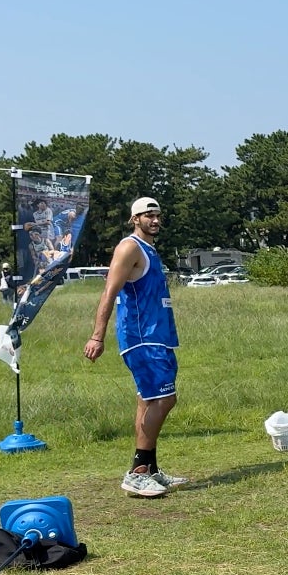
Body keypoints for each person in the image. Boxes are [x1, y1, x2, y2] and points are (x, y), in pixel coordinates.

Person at [83, 197, 187, 498]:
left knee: (148, 399)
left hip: (158, 335)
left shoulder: (150, 250)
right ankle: (138, 472)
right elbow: (109, 291)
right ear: (134, 219)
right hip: (143, 337)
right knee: (165, 399)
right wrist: (97, 335)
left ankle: (150, 469)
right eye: (147, 215)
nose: (154, 220)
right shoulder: (129, 247)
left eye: (157, 215)